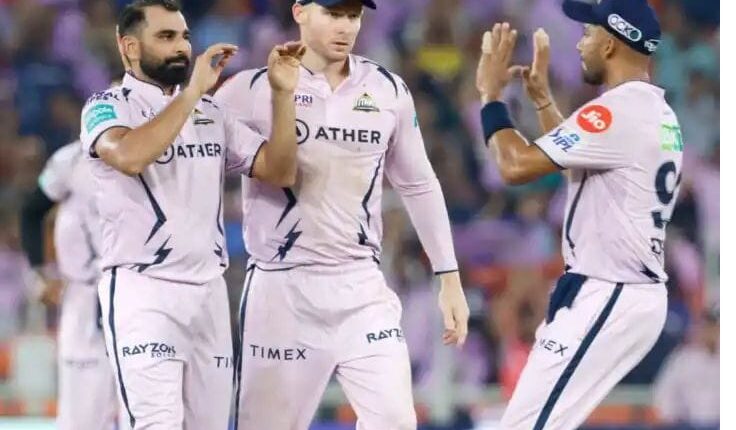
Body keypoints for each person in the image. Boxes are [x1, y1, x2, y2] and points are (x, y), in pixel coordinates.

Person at [214, 0, 470, 429]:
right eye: (333, 14)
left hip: (360, 285)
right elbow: (195, 155)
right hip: (282, 289)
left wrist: (449, 277)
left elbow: (418, 184)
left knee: (396, 421)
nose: (345, 26)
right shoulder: (250, 89)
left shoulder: (387, 89)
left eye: (353, 15)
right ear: (299, 12)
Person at [78, 0, 304, 428]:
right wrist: (193, 93)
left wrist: (282, 94)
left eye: (184, 36)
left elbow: (280, 170)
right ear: (129, 47)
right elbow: (128, 156)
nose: (182, 47)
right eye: (166, 37)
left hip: (208, 295)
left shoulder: (211, 113)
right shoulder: (107, 106)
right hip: (143, 291)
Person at [474, 0, 682, 428]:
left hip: (611, 290)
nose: (579, 44)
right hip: (622, 291)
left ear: (610, 44)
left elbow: (514, 166)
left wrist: (491, 97)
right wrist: (543, 102)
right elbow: (581, 162)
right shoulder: (655, 112)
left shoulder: (616, 110)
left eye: (588, 34)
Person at [20, 139, 126, 430]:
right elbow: (32, 211)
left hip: (138, 291)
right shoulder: (71, 160)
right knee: (80, 416)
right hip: (85, 297)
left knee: (145, 410)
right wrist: (39, 273)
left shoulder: (157, 150)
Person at [653, 305, 720, 426]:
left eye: (716, 327)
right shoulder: (684, 358)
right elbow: (664, 393)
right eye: (708, 326)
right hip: (687, 424)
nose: (712, 332)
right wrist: (672, 420)